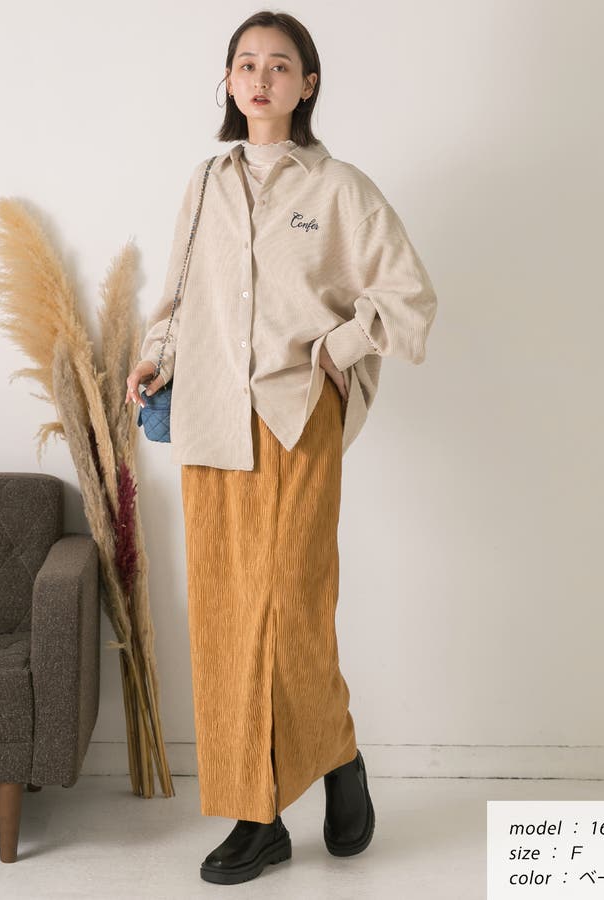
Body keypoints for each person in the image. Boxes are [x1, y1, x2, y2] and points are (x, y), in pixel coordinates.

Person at [125, 10, 437, 886]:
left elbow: (408, 296)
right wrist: (154, 359)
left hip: (299, 416)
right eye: (246, 65)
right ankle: (266, 812)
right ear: (229, 82)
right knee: (228, 616)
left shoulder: (340, 189)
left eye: (279, 65)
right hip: (210, 421)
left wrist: (336, 351)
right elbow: (180, 298)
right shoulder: (206, 182)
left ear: (308, 84)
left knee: (293, 606)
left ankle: (325, 763)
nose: (260, 79)